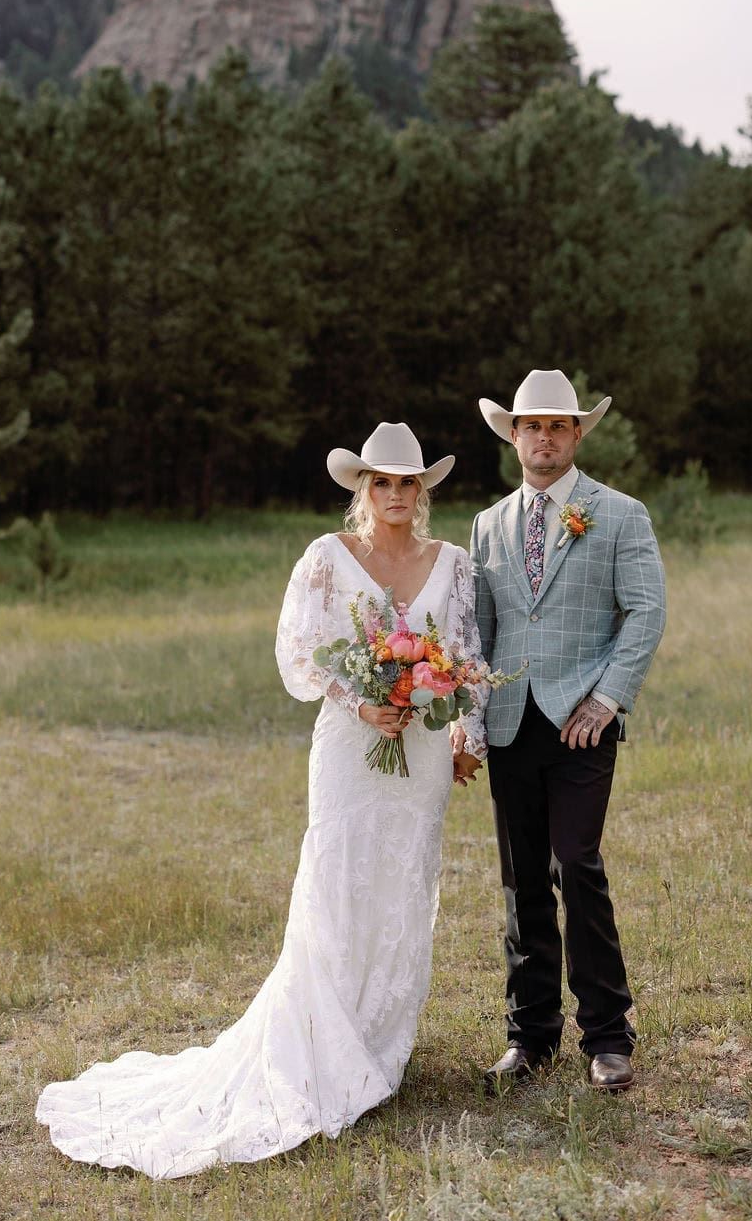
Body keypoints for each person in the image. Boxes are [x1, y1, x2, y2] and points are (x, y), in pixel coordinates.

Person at [36, 423, 487, 1178]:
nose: (395, 494)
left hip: (421, 756)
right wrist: (363, 701)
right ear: (362, 489)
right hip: (350, 749)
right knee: (338, 883)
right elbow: (300, 655)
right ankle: (323, 1042)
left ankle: (379, 1041)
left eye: (407, 482)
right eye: (381, 481)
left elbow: (468, 656)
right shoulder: (326, 558)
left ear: (423, 491)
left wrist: (468, 735)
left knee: (402, 887)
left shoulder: (455, 565)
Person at [456, 370, 666, 1092]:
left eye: (557, 426)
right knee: (521, 880)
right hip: (511, 721)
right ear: (513, 438)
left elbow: (646, 611)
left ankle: (607, 1036)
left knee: (576, 865)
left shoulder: (620, 514)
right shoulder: (487, 525)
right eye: (531, 427)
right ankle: (530, 1035)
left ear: (577, 435)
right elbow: (479, 634)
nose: (543, 438)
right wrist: (471, 722)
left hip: (582, 722)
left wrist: (607, 699)